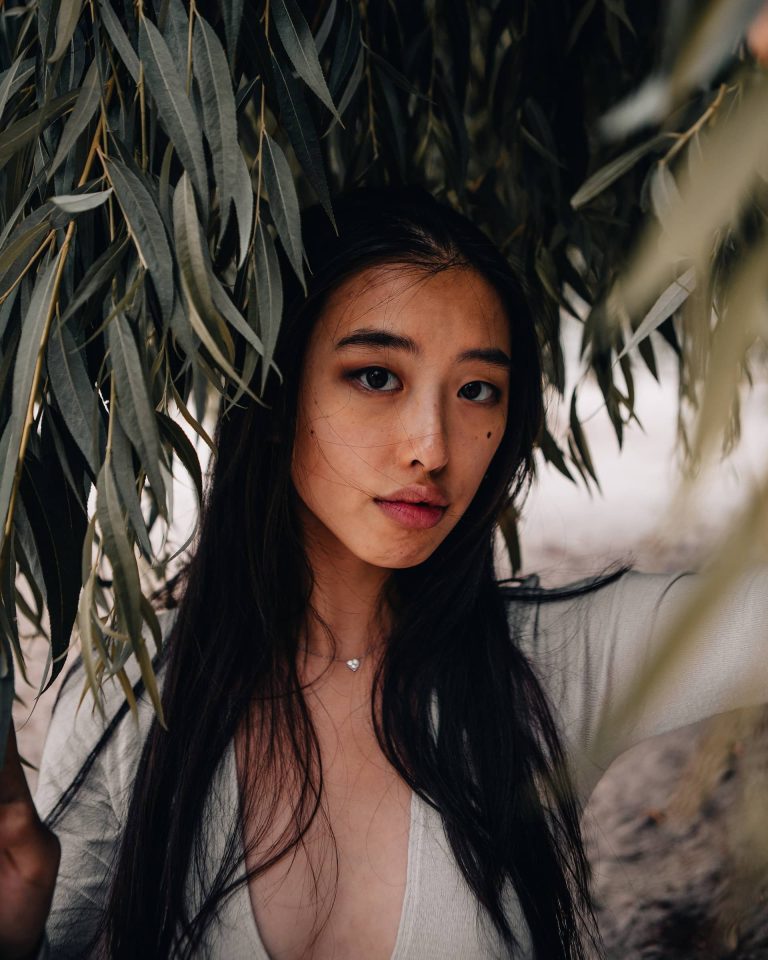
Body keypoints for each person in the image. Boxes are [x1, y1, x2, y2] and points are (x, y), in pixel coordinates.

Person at [0, 187, 766, 960]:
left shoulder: (552, 661)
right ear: (276, 388)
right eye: (376, 376)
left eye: (477, 391)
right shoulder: (137, 690)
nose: (432, 447)